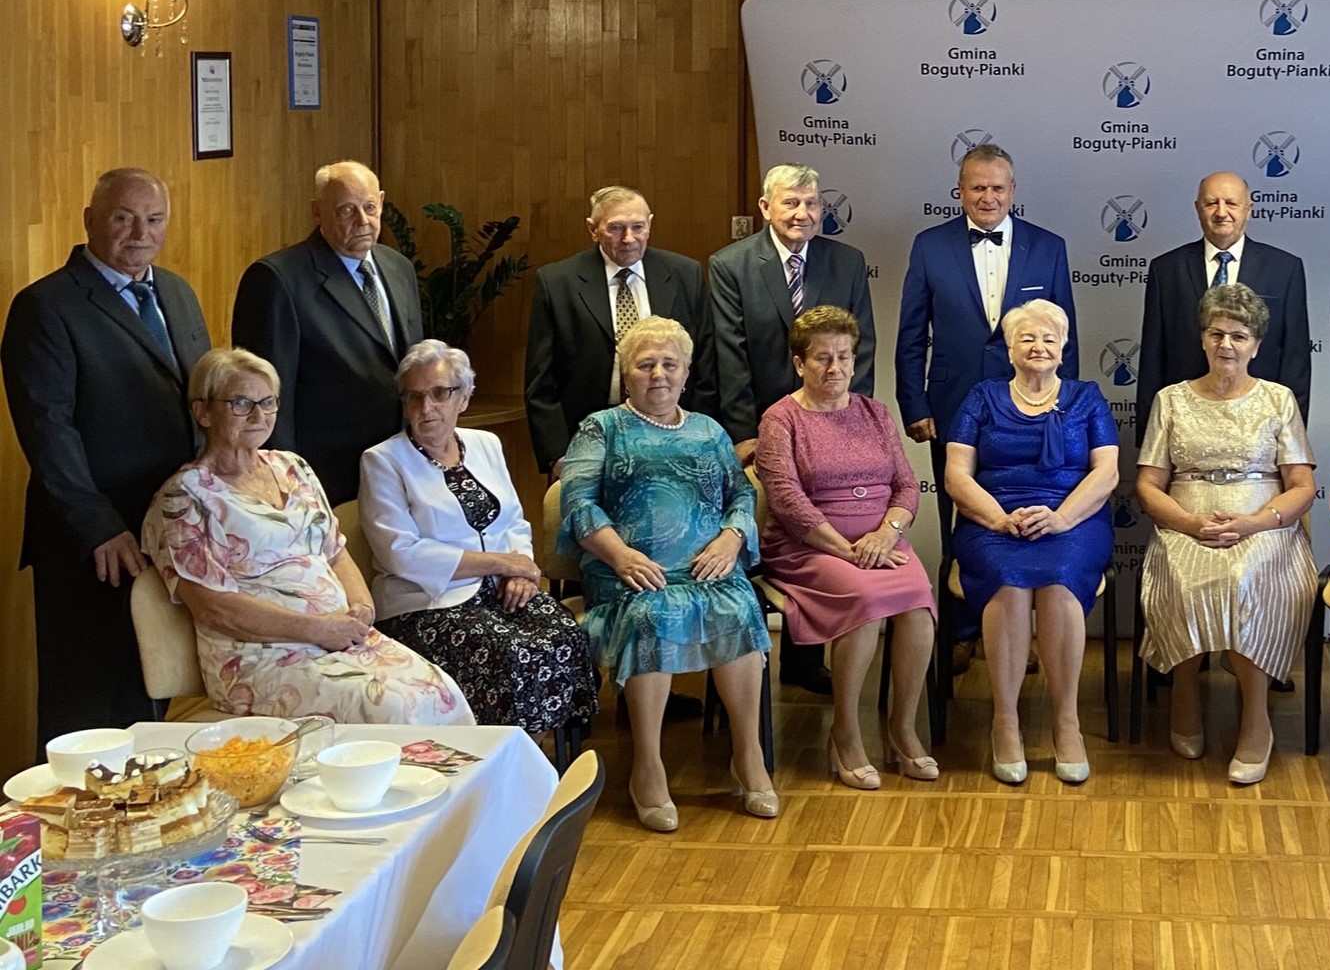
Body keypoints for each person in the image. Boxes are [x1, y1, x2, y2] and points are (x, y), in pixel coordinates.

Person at [141, 348, 474, 725]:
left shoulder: (292, 466)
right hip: (261, 659)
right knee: (393, 706)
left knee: (441, 690)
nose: (258, 415)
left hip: (340, 639)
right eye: (241, 403)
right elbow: (214, 608)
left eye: (268, 402)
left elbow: (336, 553)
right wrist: (318, 629)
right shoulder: (185, 497)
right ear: (203, 412)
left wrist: (362, 609)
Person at [2, 168, 211, 743]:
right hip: (93, 540)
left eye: (154, 219)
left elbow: (200, 399)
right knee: (88, 704)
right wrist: (99, 526)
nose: (141, 233)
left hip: (166, 527)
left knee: (149, 695)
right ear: (91, 221)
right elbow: (48, 429)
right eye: (124, 218)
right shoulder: (46, 307)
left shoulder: (177, 293)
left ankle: (147, 798)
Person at [557, 316, 775, 829]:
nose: (658, 374)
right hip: (629, 572)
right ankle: (648, 767)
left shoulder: (709, 430)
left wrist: (731, 537)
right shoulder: (601, 427)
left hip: (706, 568)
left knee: (739, 606)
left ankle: (748, 755)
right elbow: (578, 503)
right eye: (645, 364)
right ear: (626, 373)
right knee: (653, 615)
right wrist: (620, 555)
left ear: (686, 373)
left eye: (669, 364)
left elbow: (741, 494)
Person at [357, 340, 599, 735]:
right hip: (427, 605)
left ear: (464, 397)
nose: (426, 407)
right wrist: (503, 563)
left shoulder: (486, 444)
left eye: (440, 393)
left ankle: (544, 757)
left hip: (500, 589)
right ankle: (505, 756)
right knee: (513, 653)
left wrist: (520, 571)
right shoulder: (383, 460)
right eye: (414, 396)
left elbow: (514, 521)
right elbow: (400, 553)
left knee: (564, 632)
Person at [896, 143, 1077, 670]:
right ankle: (962, 630)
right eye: (978, 187)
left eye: (998, 188)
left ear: (1013, 191)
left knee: (1028, 510)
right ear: (960, 191)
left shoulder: (1049, 247)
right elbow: (911, 335)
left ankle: (1020, 631)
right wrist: (914, 402)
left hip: (1033, 409)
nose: (988, 197)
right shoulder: (930, 246)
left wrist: (1064, 409)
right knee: (962, 515)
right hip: (953, 404)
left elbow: (1066, 338)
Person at [1135, 284, 1318, 784]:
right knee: (1186, 578)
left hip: (1263, 526)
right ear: (1202, 339)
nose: (1227, 345)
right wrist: (1189, 523)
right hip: (1185, 523)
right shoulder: (1170, 399)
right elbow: (1147, 485)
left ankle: (1255, 715)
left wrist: (1254, 523)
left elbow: (1302, 486)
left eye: (1239, 336)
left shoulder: (1278, 399)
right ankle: (1185, 692)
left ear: (1256, 344)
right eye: (1217, 334)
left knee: (1244, 579)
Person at [710, 162, 876, 695]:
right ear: (766, 208)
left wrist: (848, 425)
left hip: (830, 428)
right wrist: (746, 433)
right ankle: (749, 665)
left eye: (811, 203)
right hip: (762, 430)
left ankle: (805, 663)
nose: (803, 213)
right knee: (775, 531)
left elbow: (860, 351)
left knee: (824, 526)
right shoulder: (731, 265)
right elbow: (730, 355)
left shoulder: (847, 262)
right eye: (791, 202)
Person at [753, 307, 936, 789]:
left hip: (880, 542)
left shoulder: (875, 413)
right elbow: (788, 501)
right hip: (807, 547)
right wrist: (848, 550)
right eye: (822, 358)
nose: (834, 368)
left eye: (844, 357)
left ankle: (902, 729)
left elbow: (906, 486)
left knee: (919, 605)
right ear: (800, 364)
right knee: (866, 601)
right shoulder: (781, 419)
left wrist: (886, 534)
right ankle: (846, 732)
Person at [943, 299, 1117, 785]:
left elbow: (1106, 473)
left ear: (1064, 347)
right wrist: (998, 519)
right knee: (1009, 581)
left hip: (1073, 520)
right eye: (1027, 338)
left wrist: (1061, 519)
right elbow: (957, 475)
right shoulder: (981, 397)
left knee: (1059, 581)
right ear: (1009, 349)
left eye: (1048, 338)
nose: (1038, 346)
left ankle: (1067, 722)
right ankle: (1005, 721)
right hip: (993, 520)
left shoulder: (1087, 397)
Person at [231, 161, 423, 506]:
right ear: (317, 212)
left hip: (400, 465)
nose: (362, 221)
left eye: (370, 207)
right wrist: (284, 484)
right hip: (325, 476)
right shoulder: (277, 279)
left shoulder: (398, 267)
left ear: (382, 202)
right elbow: (267, 396)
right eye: (346, 210)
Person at [526, 185, 715, 478]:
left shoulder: (684, 274)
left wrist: (698, 437)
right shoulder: (557, 282)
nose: (628, 238)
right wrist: (558, 456)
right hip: (587, 439)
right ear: (593, 229)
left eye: (638, 227)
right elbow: (541, 381)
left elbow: (704, 363)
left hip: (672, 435)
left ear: (649, 225)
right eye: (616, 228)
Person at [1137, 171, 1312, 434]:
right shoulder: (1166, 269)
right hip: (1185, 422)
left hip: (1259, 424)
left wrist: (1292, 433)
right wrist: (1149, 434)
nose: (1221, 212)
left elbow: (1295, 359)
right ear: (1198, 209)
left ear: (1248, 209)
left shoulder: (1285, 269)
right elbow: (1153, 358)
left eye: (1231, 203)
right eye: (1211, 203)